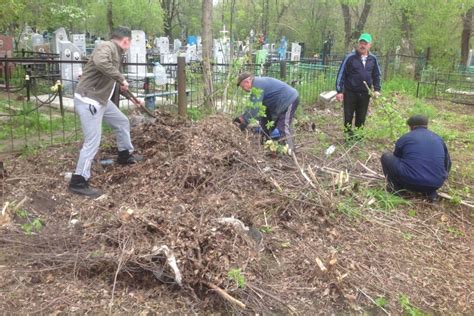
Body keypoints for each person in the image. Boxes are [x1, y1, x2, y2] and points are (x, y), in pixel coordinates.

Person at [68, 26, 144, 198]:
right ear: (125, 41)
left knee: (122, 121)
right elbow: (102, 63)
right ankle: (78, 181)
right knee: (92, 141)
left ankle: (125, 155)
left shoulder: (116, 52)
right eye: (130, 43)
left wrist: (133, 97)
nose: (129, 46)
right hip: (89, 100)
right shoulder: (106, 47)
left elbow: (111, 77)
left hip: (101, 100)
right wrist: (121, 78)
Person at [380, 115, 451, 202]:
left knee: (386, 156)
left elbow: (397, 158)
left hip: (410, 182)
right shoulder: (439, 139)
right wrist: (441, 177)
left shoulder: (406, 138)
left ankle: (396, 189)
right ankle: (430, 192)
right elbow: (448, 163)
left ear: (411, 127)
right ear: (427, 125)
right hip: (436, 184)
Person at [233, 72, 299, 152]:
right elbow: (255, 106)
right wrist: (243, 117)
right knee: (265, 121)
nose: (243, 89)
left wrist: (244, 121)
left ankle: (290, 149)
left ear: (247, 82)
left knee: (283, 125)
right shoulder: (257, 84)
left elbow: (254, 109)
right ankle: (267, 142)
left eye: (243, 87)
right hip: (278, 104)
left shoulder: (257, 85)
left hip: (289, 100)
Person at [336, 33, 382, 140]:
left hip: (365, 93)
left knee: (361, 116)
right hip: (350, 92)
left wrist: (377, 89)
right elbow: (341, 74)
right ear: (358, 44)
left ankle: (358, 137)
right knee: (348, 116)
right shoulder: (350, 57)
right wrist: (339, 91)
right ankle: (348, 136)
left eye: (365, 43)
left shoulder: (373, 59)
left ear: (370, 45)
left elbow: (377, 75)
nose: (362, 45)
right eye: (361, 43)